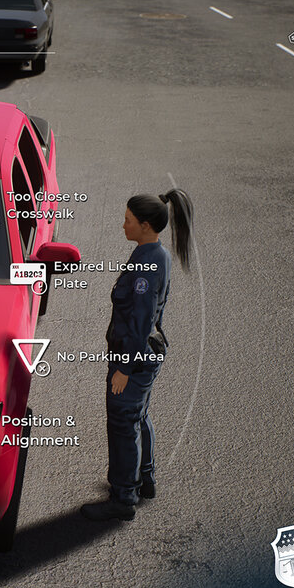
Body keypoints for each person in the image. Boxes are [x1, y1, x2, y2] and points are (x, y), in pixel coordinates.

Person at [81, 189, 193, 522]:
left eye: (128, 220)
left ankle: (123, 498)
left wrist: (124, 368)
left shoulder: (147, 262)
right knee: (138, 416)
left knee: (122, 423)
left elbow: (141, 320)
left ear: (145, 225)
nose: (123, 225)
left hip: (134, 356)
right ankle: (146, 480)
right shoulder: (154, 253)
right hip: (147, 352)